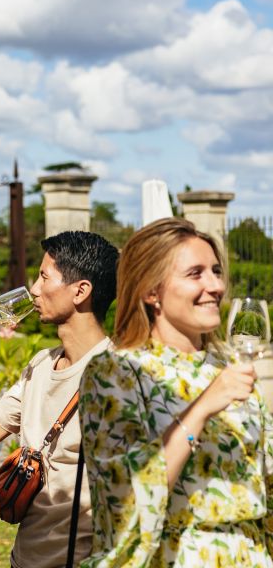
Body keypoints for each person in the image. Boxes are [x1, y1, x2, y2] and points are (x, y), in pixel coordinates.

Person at [79, 217, 270, 567]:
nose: (215, 285)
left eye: (215, 271)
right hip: (176, 557)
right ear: (152, 292)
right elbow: (120, 495)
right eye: (195, 273)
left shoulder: (225, 366)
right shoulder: (116, 371)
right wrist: (202, 409)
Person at [0, 231, 119, 568]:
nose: (35, 289)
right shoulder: (40, 365)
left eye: (44, 276)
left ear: (81, 291)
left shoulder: (116, 374)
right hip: (24, 559)